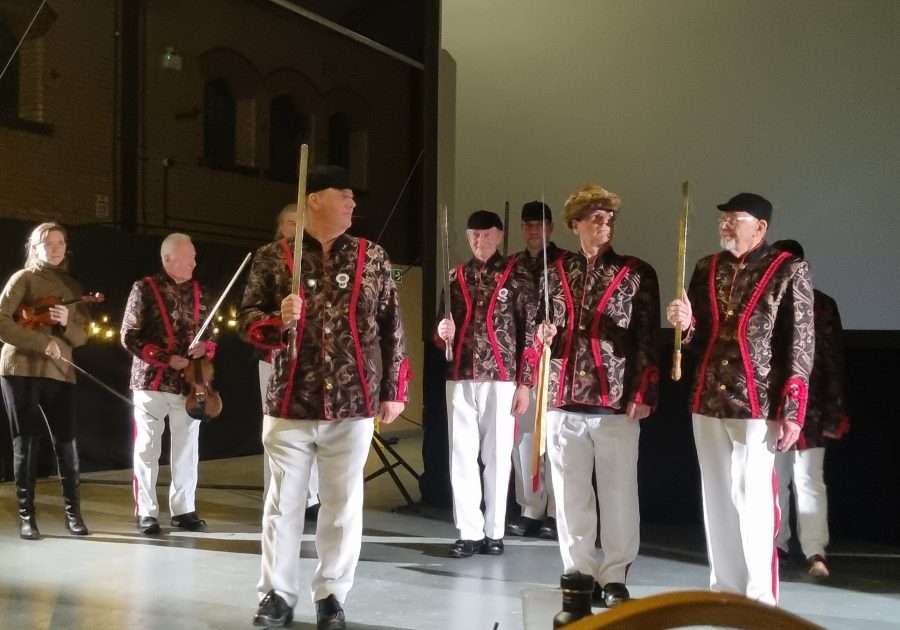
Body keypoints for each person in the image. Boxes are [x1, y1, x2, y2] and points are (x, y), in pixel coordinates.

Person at [240, 165, 409, 630]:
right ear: (314, 199)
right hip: (290, 401)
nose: (354, 203)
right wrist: (277, 318)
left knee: (342, 504)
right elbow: (246, 321)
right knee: (283, 504)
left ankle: (332, 594)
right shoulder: (274, 258)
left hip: (354, 401)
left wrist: (395, 389)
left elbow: (392, 325)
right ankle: (276, 593)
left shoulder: (372, 256)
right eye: (344, 195)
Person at [666, 193, 815, 605]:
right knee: (715, 497)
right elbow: (697, 339)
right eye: (723, 219)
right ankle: (725, 590)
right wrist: (686, 324)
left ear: (761, 227)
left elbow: (800, 345)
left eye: (734, 219)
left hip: (759, 403)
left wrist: (793, 412)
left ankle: (759, 598)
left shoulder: (789, 270)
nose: (725, 225)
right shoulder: (705, 268)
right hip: (708, 397)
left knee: (754, 499)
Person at [532, 185, 660, 608]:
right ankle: (579, 569)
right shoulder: (553, 270)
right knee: (569, 495)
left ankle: (616, 574)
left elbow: (646, 339)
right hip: (563, 397)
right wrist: (542, 335)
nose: (604, 225)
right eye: (596, 218)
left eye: (609, 218)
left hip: (614, 400)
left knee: (619, 493)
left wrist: (643, 391)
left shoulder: (636, 271)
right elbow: (538, 327)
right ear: (575, 225)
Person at [435, 210, 534, 559]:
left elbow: (530, 334)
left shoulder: (518, 276)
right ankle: (469, 530)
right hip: (460, 375)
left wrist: (525, 383)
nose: (480, 241)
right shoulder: (455, 276)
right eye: (474, 235)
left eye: (487, 235)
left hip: (502, 377)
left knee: (497, 456)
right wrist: (441, 332)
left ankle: (494, 530)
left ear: (500, 236)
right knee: (460, 456)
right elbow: (441, 327)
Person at [0, 222, 90, 540]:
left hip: (60, 371)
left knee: (66, 441)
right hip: (20, 369)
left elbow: (82, 336)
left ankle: (73, 515)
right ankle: (27, 517)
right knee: (25, 440)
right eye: (48, 243)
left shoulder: (72, 287)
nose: (56, 248)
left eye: (61, 243)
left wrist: (66, 325)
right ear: (34, 247)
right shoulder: (22, 279)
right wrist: (41, 342)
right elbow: (1, 320)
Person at [121, 233, 215, 535]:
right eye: (190, 257)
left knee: (187, 447)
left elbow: (212, 333)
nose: (195, 262)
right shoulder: (143, 288)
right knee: (148, 446)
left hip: (191, 382)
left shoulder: (200, 291)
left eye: (195, 257)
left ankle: (184, 509)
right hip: (151, 381)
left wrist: (207, 348)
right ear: (169, 259)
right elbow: (129, 335)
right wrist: (164, 358)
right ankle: (146, 512)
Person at [771, 239, 848, 578]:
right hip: (771, 406)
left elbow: (832, 360)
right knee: (774, 477)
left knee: (808, 479)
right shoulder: (767, 302)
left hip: (811, 407)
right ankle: (775, 544)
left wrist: (834, 409)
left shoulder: (823, 305)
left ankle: (816, 550)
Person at [250, 203, 320, 518]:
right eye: (291, 222)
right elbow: (250, 312)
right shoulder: (268, 257)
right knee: (278, 429)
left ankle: (311, 498)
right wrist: (279, 319)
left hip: (314, 357)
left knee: (314, 427)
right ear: (281, 227)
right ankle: (277, 497)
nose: (297, 228)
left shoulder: (321, 257)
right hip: (275, 356)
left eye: (302, 223)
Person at [507, 200, 565, 540]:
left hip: (555, 361)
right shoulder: (511, 265)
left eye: (540, 225)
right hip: (520, 362)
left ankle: (557, 512)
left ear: (551, 227)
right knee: (525, 439)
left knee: (555, 439)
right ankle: (530, 508)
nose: (533, 231)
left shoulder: (565, 264)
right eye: (528, 225)